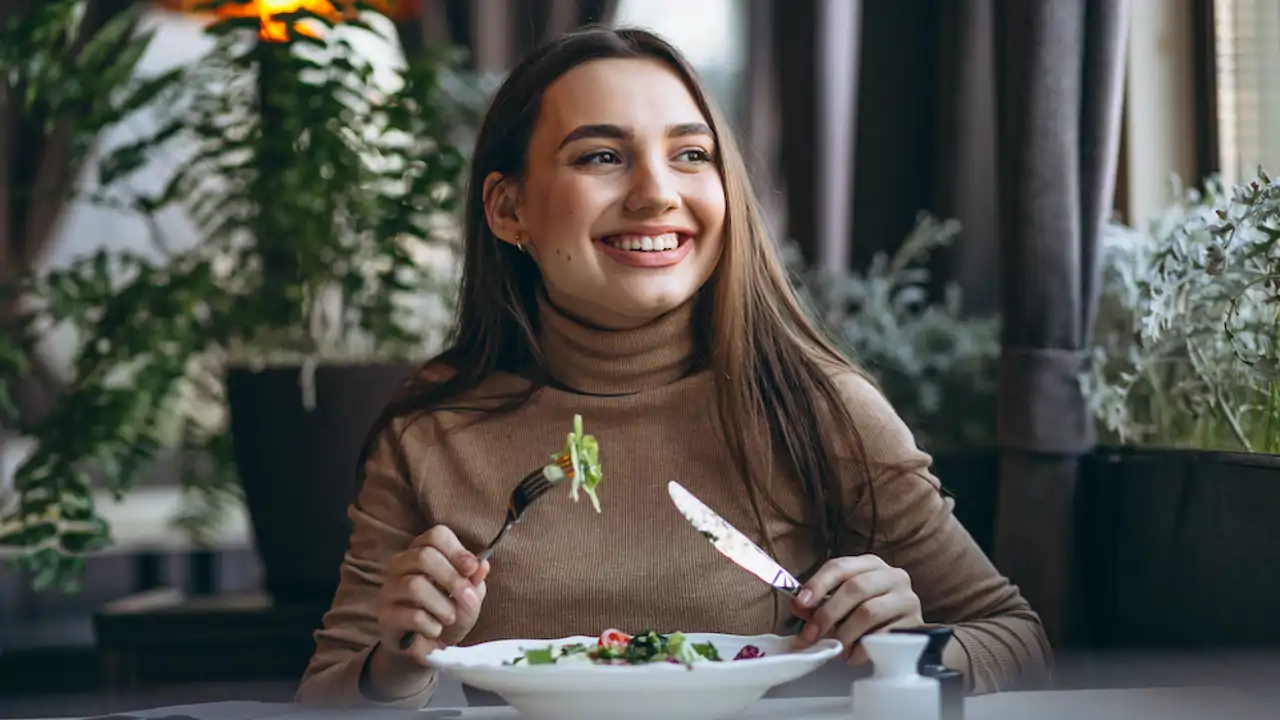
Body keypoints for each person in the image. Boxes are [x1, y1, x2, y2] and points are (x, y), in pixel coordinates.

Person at [295, 26, 1050, 708]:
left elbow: (1017, 640)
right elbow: (328, 693)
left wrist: (912, 649)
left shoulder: (818, 408)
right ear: (507, 209)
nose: (657, 193)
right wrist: (396, 663)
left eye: (691, 155)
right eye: (601, 156)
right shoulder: (433, 426)